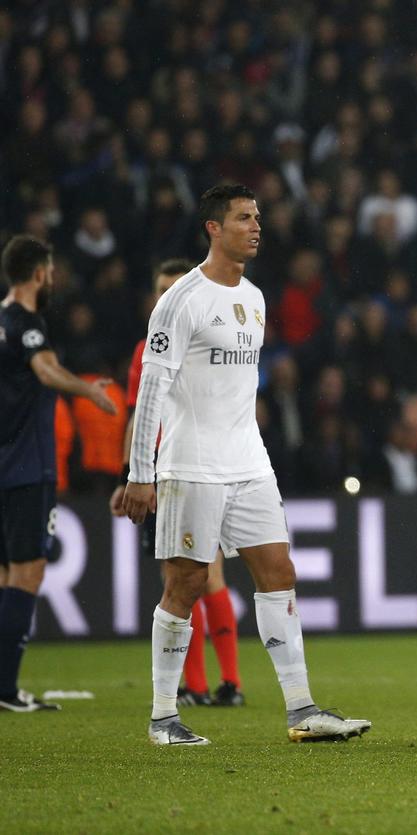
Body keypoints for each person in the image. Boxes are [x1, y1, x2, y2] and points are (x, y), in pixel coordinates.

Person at [123, 184, 370, 745]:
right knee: (186, 583)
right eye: (242, 218)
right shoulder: (180, 300)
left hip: (249, 461)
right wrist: (140, 473)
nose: (256, 226)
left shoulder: (255, 299)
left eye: (257, 217)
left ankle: (302, 710)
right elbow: (151, 391)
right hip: (191, 464)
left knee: (279, 573)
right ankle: (163, 717)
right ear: (213, 228)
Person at [109, 258, 245, 707]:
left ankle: (227, 683)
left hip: (203, 466)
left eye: (176, 288)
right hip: (160, 473)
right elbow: (137, 417)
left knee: (206, 575)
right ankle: (201, 686)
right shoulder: (146, 348)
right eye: (161, 290)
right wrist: (130, 475)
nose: (167, 298)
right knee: (181, 577)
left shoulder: (210, 339)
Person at [0, 234, 116, 712]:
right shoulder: (26, 323)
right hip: (28, 467)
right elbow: (46, 370)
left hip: (5, 465)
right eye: (50, 272)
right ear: (38, 274)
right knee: (27, 573)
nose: (53, 280)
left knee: (7, 574)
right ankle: (6, 689)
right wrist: (89, 392)